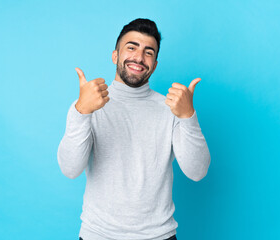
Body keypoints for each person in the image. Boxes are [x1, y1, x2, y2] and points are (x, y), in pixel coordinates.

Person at [57, 18, 211, 240]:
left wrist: (188, 116)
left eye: (149, 52)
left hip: (159, 236)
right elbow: (70, 169)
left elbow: (197, 172)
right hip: (98, 235)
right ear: (115, 55)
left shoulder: (172, 109)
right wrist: (81, 112)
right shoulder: (88, 105)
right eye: (131, 47)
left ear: (155, 64)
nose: (139, 57)